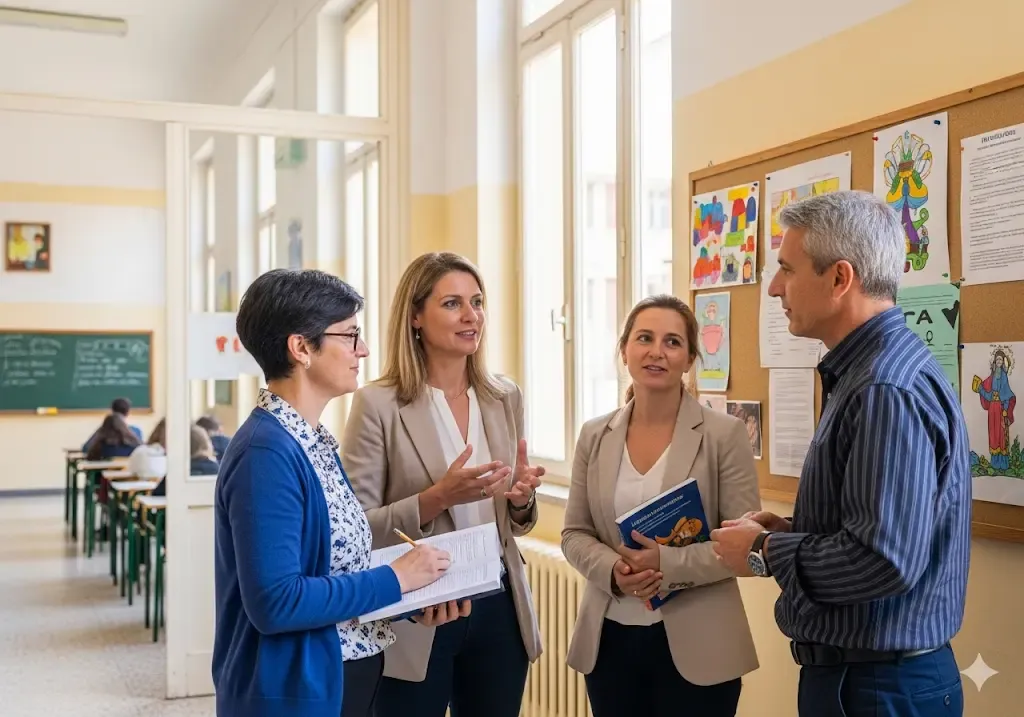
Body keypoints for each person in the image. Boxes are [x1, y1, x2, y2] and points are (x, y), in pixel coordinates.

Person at [710, 191, 971, 717]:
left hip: (875, 686)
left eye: (787, 269)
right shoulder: (870, 372)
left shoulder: (882, 387)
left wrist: (764, 549)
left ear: (839, 279)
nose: (775, 288)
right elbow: (878, 529)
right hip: (869, 678)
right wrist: (791, 532)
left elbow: (882, 559)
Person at [212, 269, 458, 717]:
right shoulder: (265, 453)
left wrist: (409, 596)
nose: (363, 349)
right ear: (301, 348)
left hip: (343, 677)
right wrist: (396, 579)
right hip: (295, 692)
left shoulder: (313, 442)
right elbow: (277, 601)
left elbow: (337, 570)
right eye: (349, 335)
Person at [343, 252, 545, 717]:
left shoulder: (504, 396)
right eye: (453, 303)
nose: (471, 315)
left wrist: (521, 500)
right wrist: (436, 498)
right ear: (415, 316)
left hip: (498, 605)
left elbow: (514, 522)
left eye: (477, 302)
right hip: (418, 610)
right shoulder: (378, 404)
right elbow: (356, 529)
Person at [561, 295, 761, 717]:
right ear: (624, 350)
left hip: (702, 647)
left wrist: (665, 564)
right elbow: (574, 533)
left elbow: (744, 548)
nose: (656, 351)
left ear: (689, 359)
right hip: (610, 641)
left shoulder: (725, 435)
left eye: (672, 342)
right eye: (644, 338)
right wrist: (613, 570)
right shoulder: (594, 435)